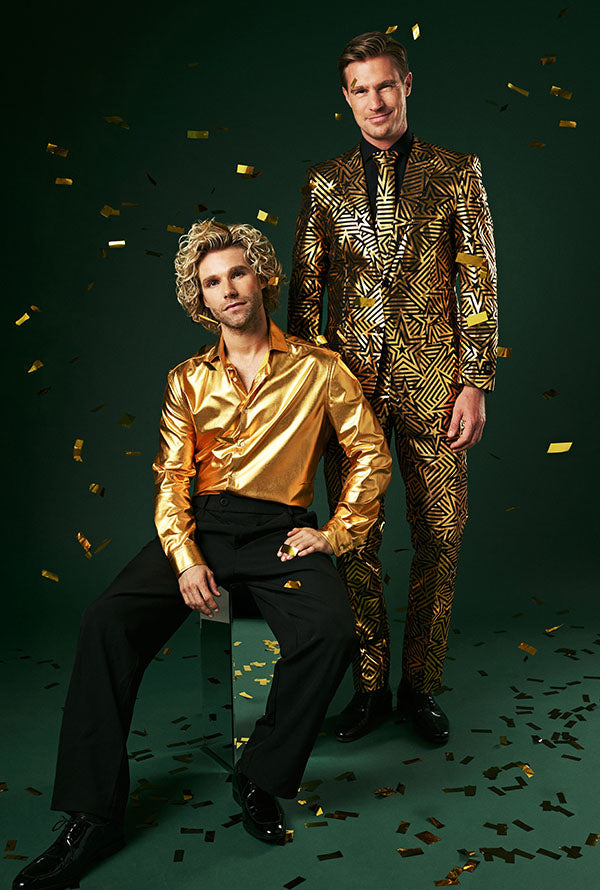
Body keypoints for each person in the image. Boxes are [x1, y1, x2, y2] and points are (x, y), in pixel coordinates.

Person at [13, 221, 392, 890]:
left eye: (237, 273)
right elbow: (171, 478)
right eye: (212, 282)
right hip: (204, 527)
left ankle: (260, 774)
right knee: (104, 620)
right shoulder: (187, 379)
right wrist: (186, 559)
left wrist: (336, 533)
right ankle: (92, 817)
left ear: (262, 276)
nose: (229, 289)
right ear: (201, 298)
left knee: (332, 630)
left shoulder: (320, 368)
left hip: (282, 532)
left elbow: (369, 453)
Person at [288, 31, 498, 746]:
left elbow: (479, 282)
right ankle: (370, 686)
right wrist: (307, 394)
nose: (375, 100)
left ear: (407, 84)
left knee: (441, 534)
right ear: (345, 99)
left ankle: (420, 686)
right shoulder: (323, 183)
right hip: (348, 393)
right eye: (360, 89)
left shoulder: (456, 171)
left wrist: (475, 382)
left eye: (385, 84)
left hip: (437, 387)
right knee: (354, 539)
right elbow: (305, 297)